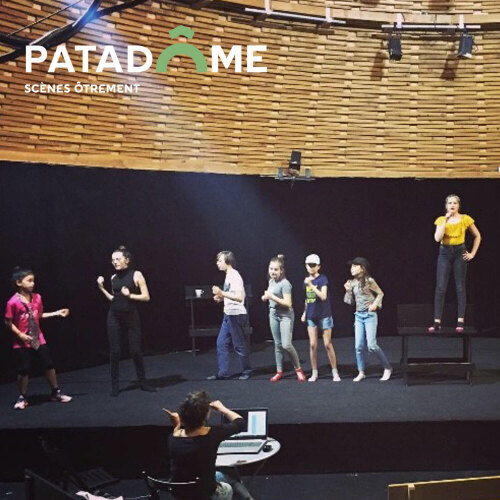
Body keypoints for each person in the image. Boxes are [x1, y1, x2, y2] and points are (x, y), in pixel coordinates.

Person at [5, 267, 72, 410]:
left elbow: (38, 315)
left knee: (49, 364)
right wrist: (20, 335)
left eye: (33, 280)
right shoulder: (13, 302)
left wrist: (57, 313)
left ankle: (55, 392)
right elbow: (8, 322)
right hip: (22, 340)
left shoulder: (37, 298)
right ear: (19, 282)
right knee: (24, 369)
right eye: (29, 281)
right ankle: (23, 396)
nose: (32, 283)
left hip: (37, 337)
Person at [97, 245, 155, 396]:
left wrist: (130, 296)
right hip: (114, 315)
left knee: (135, 350)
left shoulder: (136, 275)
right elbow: (113, 298)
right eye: (113, 260)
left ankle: (143, 382)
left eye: (118, 259)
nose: (115, 262)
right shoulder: (113, 278)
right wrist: (101, 288)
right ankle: (115, 385)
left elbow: (146, 296)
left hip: (131, 315)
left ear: (127, 260)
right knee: (115, 351)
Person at [165, 391, 245, 500]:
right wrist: (223, 409)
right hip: (203, 494)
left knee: (222, 475)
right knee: (228, 487)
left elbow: (178, 432)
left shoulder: (173, 438)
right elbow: (240, 423)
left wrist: (177, 424)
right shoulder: (213, 434)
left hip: (179, 494)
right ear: (206, 415)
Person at [428, 194, 481, 333]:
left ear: (458, 205)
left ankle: (460, 320)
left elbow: (478, 236)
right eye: (450, 203)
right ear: (446, 206)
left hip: (459, 252)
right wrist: (445, 220)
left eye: (455, 203)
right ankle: (437, 321)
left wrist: (472, 253)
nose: (452, 205)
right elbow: (437, 238)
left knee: (460, 286)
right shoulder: (441, 219)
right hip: (445, 252)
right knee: (440, 287)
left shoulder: (465, 219)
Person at [344, 257, 392, 382]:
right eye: (351, 266)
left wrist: (375, 304)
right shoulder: (352, 282)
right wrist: (348, 291)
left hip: (370, 315)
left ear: (362, 268)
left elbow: (380, 293)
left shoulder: (369, 281)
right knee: (358, 346)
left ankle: (387, 367)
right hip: (358, 316)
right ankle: (361, 372)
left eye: (355, 266)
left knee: (372, 345)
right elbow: (349, 302)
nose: (352, 269)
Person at [208, 251, 252, 381]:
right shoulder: (228, 276)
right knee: (221, 343)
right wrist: (221, 297)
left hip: (236, 314)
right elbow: (231, 294)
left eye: (220, 260)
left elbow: (239, 297)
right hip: (228, 314)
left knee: (239, 344)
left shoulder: (235, 276)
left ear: (228, 262)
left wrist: (221, 292)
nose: (217, 263)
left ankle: (247, 370)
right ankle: (223, 372)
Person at [261, 254, 305, 382]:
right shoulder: (271, 281)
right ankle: (279, 371)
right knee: (277, 345)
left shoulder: (285, 284)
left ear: (281, 270)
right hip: (273, 314)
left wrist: (271, 297)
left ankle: (298, 369)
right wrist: (265, 297)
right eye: (271, 269)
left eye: (275, 269)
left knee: (286, 344)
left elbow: (288, 303)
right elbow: (269, 295)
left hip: (285, 315)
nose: (273, 272)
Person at [301, 254, 340, 382]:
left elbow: (323, 296)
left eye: (313, 265)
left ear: (318, 266)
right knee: (312, 344)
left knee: (327, 344)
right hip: (311, 315)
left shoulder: (322, 279)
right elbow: (307, 298)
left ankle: (335, 371)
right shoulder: (305, 280)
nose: (311, 268)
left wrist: (311, 285)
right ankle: (314, 372)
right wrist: (304, 312)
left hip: (324, 314)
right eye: (309, 265)